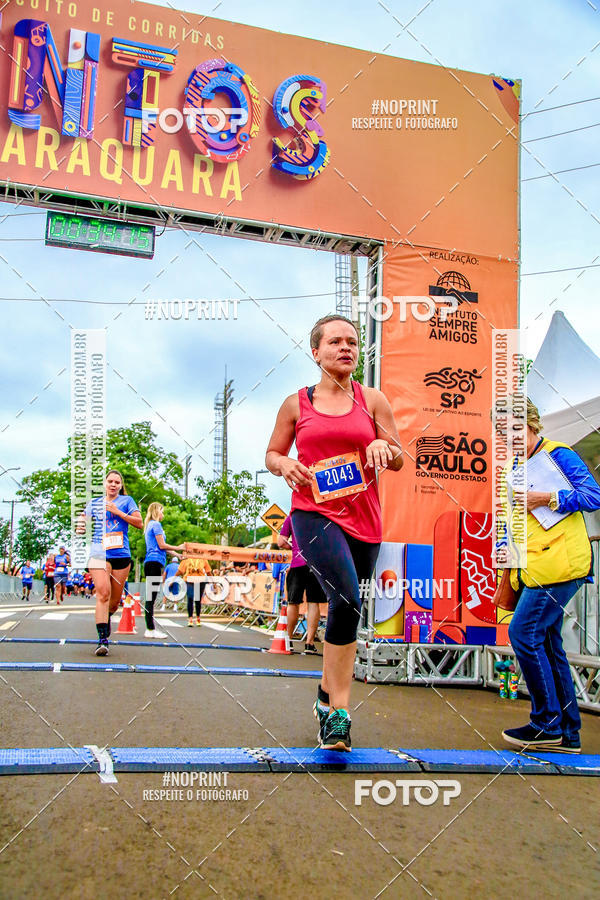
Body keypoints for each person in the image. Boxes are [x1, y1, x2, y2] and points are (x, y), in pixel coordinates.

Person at [266, 314, 404, 751]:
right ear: (316, 352)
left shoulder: (374, 400)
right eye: (336, 342)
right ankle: (339, 715)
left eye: (352, 342)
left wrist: (384, 446)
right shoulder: (296, 404)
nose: (346, 348)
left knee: (347, 608)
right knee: (344, 594)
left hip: (364, 519)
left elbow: (399, 457)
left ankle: (325, 696)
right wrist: (283, 463)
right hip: (313, 513)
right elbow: (272, 453)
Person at [499, 399, 600, 754]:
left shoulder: (560, 455)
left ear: (532, 424)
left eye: (516, 431)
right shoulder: (513, 467)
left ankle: (546, 723)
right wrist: (508, 565)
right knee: (548, 643)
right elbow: (512, 520)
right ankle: (568, 733)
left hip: (562, 563)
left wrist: (548, 497)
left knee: (523, 633)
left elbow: (593, 495)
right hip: (535, 567)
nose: (511, 440)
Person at [77, 469, 143, 656]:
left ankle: (104, 624)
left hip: (121, 554)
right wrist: (81, 524)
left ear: (121, 486)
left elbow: (139, 523)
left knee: (113, 604)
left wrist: (117, 512)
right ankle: (102, 640)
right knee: (103, 593)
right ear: (105, 484)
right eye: (110, 481)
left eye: (117, 482)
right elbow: (83, 516)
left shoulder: (127, 501)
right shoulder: (95, 502)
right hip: (99, 553)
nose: (113, 484)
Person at [277, 514, 326, 653]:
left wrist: (293, 548)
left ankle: (288, 640)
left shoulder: (292, 517)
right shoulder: (321, 516)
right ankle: (309, 643)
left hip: (297, 563)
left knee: (293, 602)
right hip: (316, 564)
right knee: (313, 602)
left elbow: (281, 542)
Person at [143, 502, 184, 639]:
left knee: (151, 596)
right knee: (151, 597)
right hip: (154, 563)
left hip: (152, 562)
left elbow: (163, 547)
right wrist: (179, 548)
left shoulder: (150, 525)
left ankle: (150, 628)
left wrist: (177, 555)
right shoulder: (156, 525)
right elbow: (162, 545)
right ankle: (150, 629)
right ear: (156, 511)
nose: (163, 514)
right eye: (162, 511)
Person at [176, 553, 211, 626]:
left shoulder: (203, 559)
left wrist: (213, 580)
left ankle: (198, 617)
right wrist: (174, 577)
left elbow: (208, 571)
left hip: (200, 581)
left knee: (198, 600)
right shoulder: (186, 559)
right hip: (189, 580)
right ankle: (190, 618)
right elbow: (180, 570)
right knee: (190, 597)